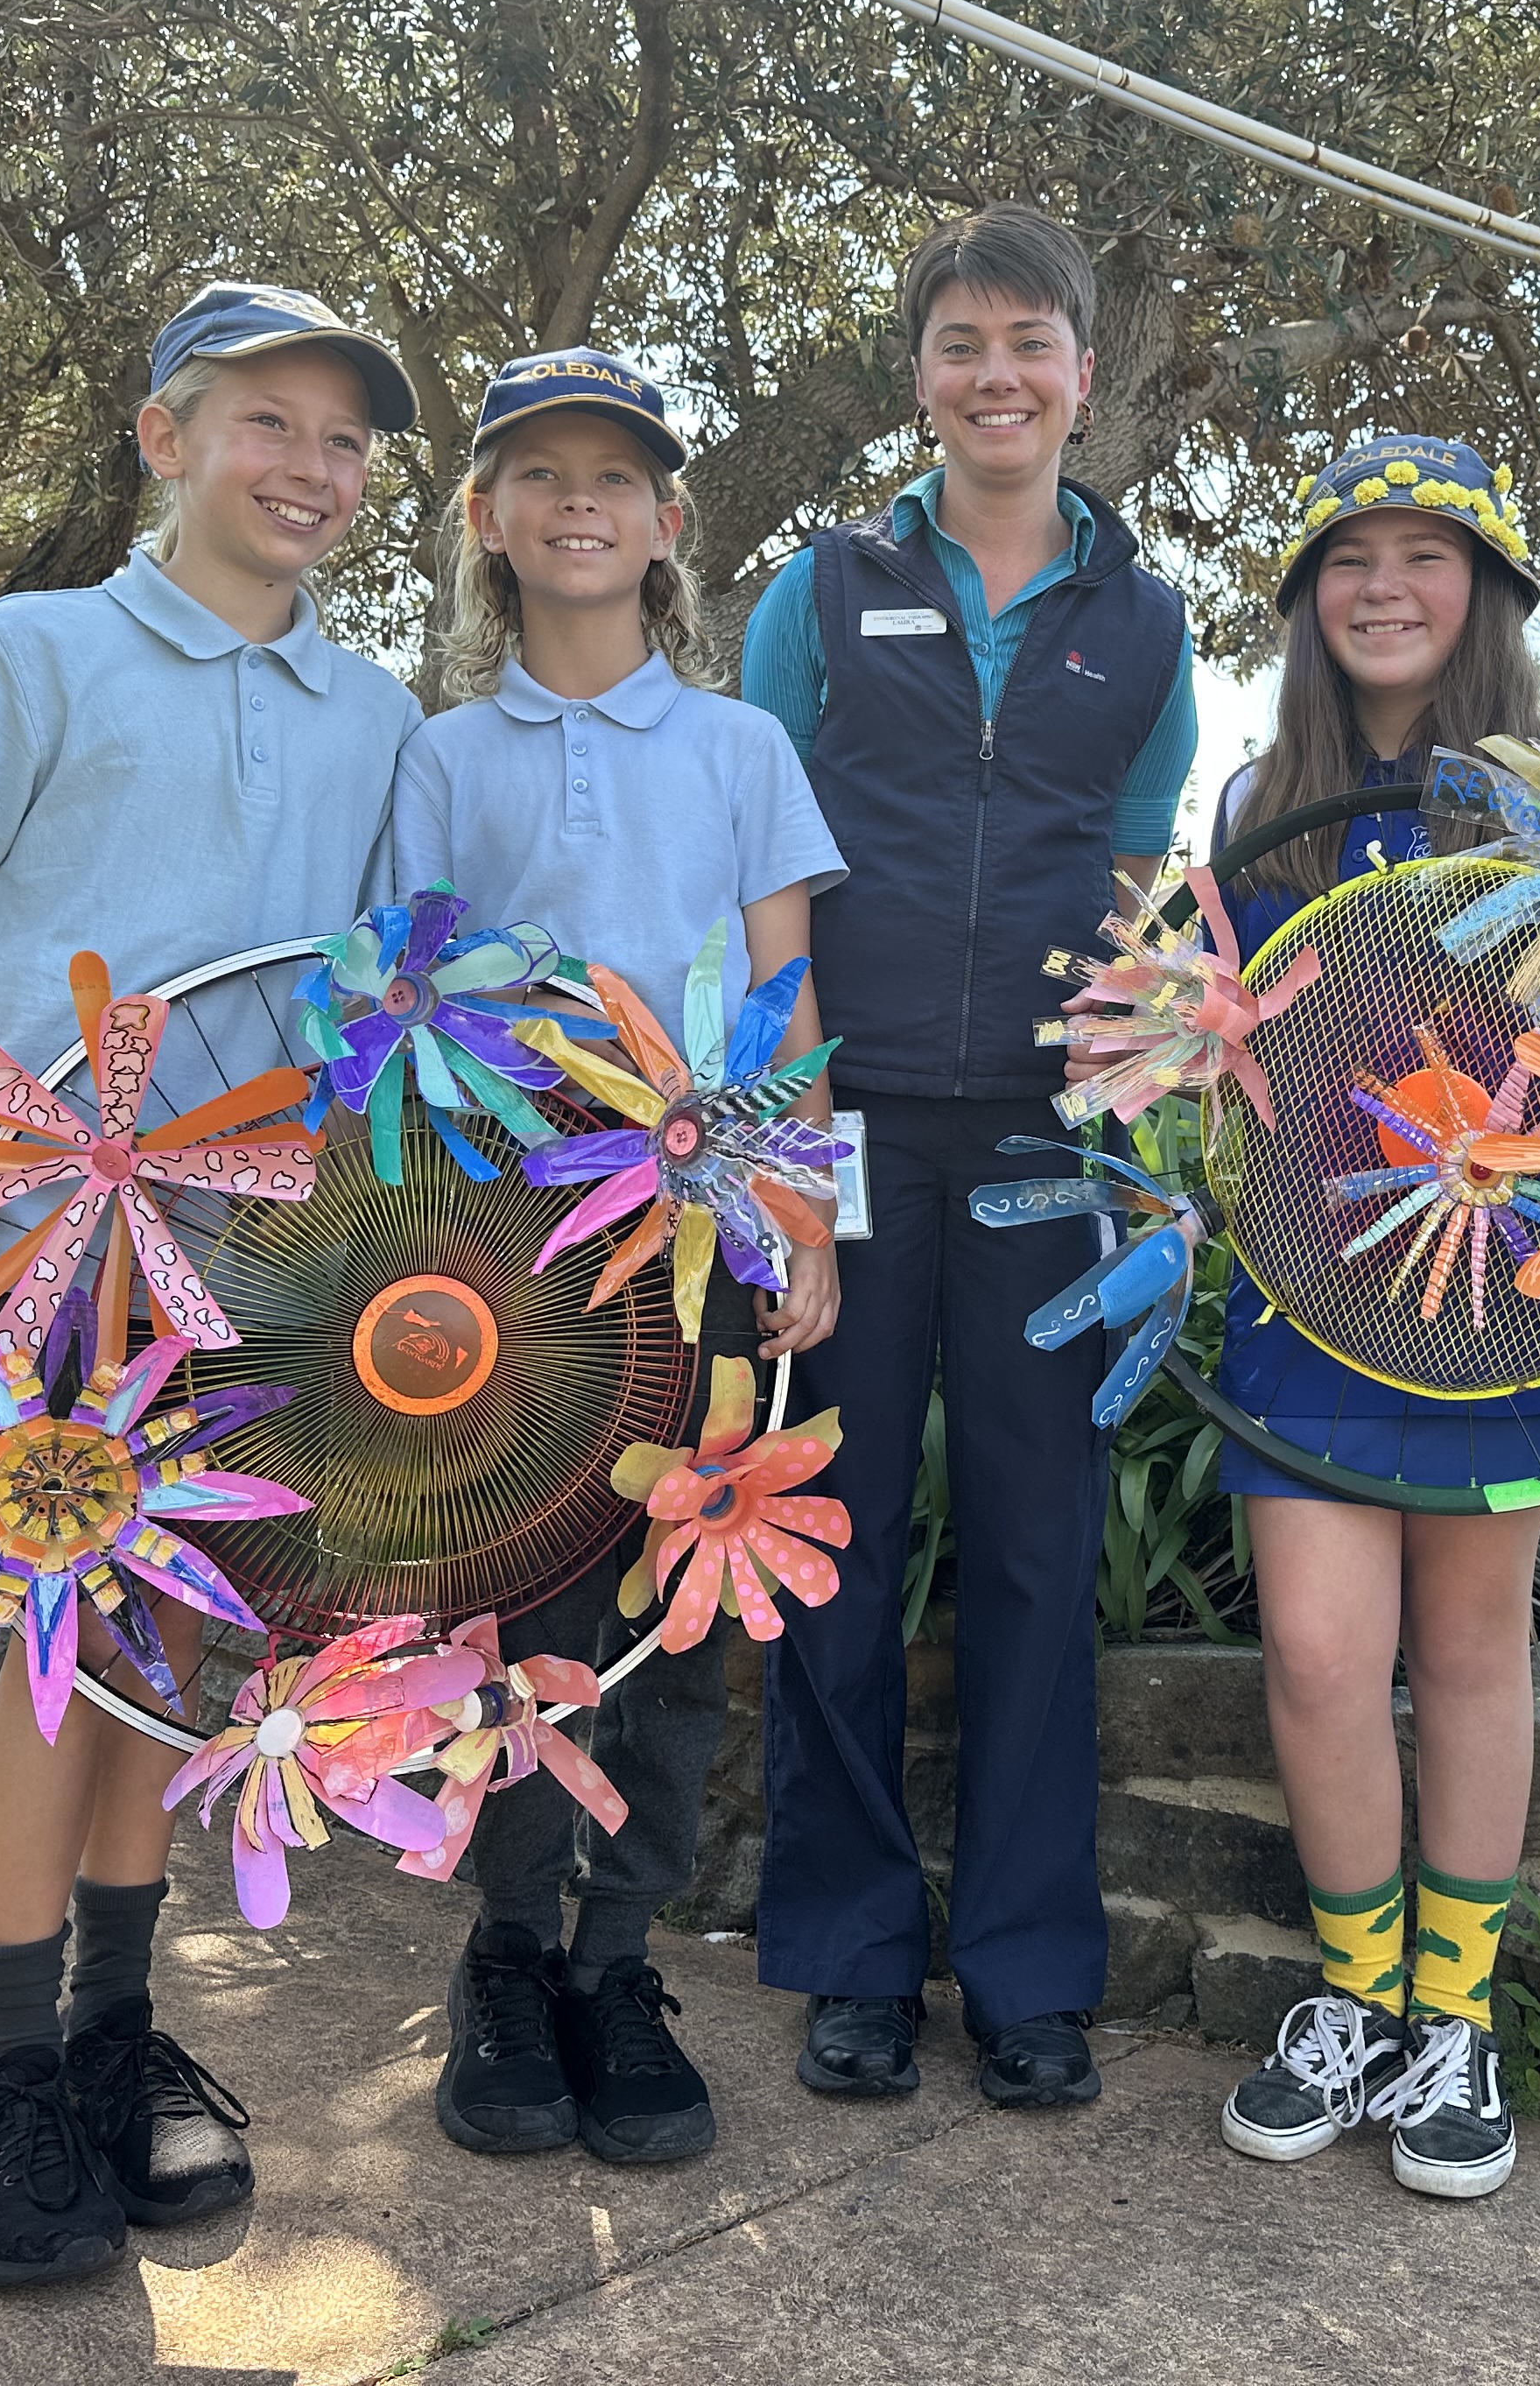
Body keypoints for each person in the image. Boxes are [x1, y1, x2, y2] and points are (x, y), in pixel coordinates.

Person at [0, 283, 425, 2286]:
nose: (311, 469)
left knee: (173, 1660)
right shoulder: (33, 650)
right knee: (49, 1648)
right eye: (270, 422)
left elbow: (378, 1010)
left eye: (346, 442)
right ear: (167, 434)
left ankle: (114, 2038)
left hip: (264, 1271)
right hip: (46, 1246)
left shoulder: (383, 718)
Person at [735, 204, 1200, 2108]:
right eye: (960, 343)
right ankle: (848, 1950)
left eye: (1031, 342)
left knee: (1032, 1544)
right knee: (832, 1534)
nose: (995, 375)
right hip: (843, 1133)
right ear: (917, 377)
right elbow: (760, 869)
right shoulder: (819, 590)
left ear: (1086, 377)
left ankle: (1027, 1971)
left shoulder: (1147, 620)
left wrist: (1148, 1074)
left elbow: (1140, 881)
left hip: (1041, 1145)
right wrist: (785, 1126)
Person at [384, 348, 845, 2168]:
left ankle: (619, 1957)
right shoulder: (440, 756)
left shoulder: (744, 749)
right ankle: (503, 1955)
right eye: (541, 473)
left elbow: (788, 995)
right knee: (508, 1597)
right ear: (488, 519)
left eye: (618, 476)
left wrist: (803, 1212)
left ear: (668, 528)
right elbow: (405, 998)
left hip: (703, 1244)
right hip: (503, 1255)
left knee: (674, 1596)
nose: (581, 500)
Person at [1197, 436, 1540, 2199]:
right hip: (1306, 1280)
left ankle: (1456, 2018)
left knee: (1474, 1653)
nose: (1386, 587)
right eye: (1350, 558)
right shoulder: (1254, 797)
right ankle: (1351, 1998)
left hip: (1495, 1280)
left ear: (1482, 593)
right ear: (1304, 603)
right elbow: (1220, 1039)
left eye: (1426, 556)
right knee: (1324, 1657)